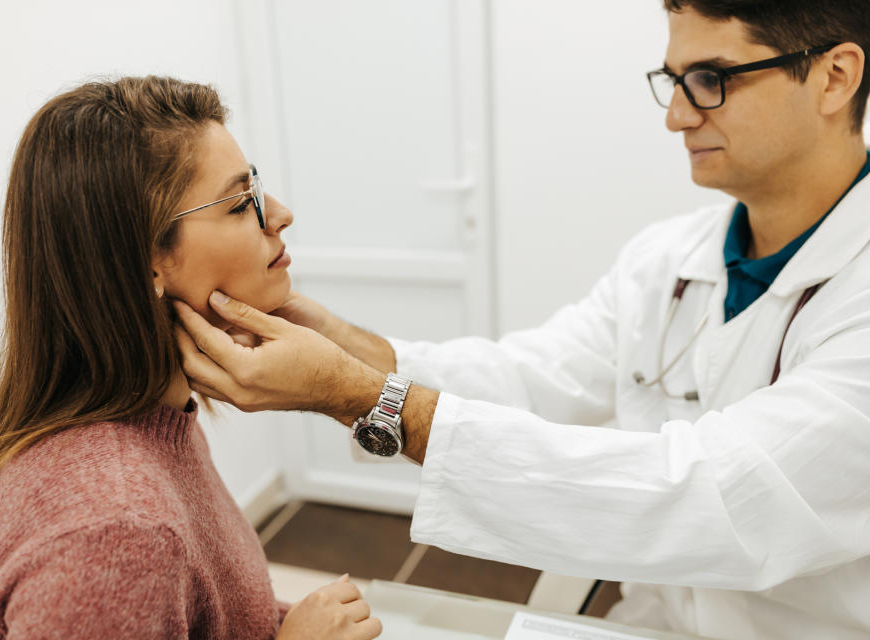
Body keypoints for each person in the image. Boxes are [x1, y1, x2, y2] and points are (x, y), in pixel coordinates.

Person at [172, 2, 870, 639]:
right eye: (674, 80)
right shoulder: (667, 260)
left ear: (834, 78)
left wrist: (356, 394)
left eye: (712, 78)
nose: (678, 117)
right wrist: (343, 346)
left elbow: (705, 491)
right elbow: (532, 376)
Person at [0, 76, 382, 640]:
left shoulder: (156, 420)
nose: (279, 214)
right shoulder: (113, 532)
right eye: (239, 204)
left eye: (258, 189)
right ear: (149, 261)